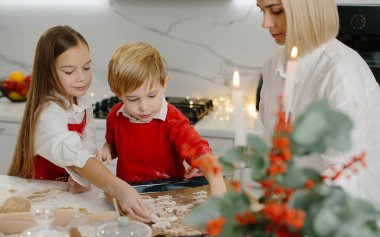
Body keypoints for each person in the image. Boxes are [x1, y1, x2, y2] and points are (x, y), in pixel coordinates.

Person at [8, 26, 152, 222]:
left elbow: (86, 151)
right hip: (43, 199)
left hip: (69, 197)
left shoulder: (82, 105)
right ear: (48, 73)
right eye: (69, 71)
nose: (82, 77)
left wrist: (80, 179)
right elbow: (74, 155)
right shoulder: (47, 113)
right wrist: (117, 186)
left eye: (86, 67)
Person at [256, 0, 380, 207]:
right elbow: (271, 145)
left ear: (306, 10)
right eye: (262, 11)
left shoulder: (341, 72)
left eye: (276, 11)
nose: (265, 23)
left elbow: (343, 175)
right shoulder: (272, 64)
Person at [96, 41, 227, 196]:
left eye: (152, 95)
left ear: (164, 84)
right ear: (118, 93)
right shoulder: (115, 116)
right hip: (129, 193)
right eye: (132, 99)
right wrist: (107, 150)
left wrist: (216, 180)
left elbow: (198, 150)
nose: (144, 107)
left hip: (170, 195)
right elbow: (113, 144)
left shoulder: (173, 121)